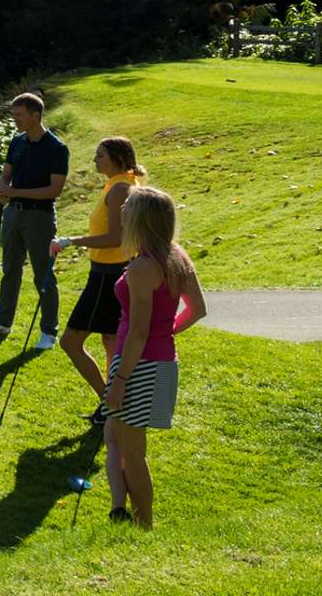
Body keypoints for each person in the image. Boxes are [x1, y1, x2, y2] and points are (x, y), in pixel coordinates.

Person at [102, 186, 208, 528]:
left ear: (140, 218)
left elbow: (139, 331)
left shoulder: (143, 267)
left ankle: (143, 524)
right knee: (115, 436)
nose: (121, 210)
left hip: (138, 365)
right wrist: (169, 332)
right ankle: (123, 512)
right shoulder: (176, 255)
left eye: (128, 206)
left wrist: (119, 381)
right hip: (161, 362)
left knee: (133, 454)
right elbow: (197, 310)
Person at [50, 137, 144, 423]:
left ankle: (109, 402)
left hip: (109, 275)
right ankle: (113, 407)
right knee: (110, 340)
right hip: (109, 272)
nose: (95, 160)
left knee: (70, 341)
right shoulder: (119, 183)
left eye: (100, 155)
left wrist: (69, 241)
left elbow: (116, 237)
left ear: (116, 158)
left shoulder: (120, 189)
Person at [0, 92, 70, 347]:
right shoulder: (16, 141)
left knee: (43, 274)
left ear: (35, 115)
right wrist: (1, 188)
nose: (14, 119)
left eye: (19, 115)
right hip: (13, 213)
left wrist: (14, 191)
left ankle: (49, 331)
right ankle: (2, 323)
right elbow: (6, 175)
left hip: (40, 217)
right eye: (13, 114)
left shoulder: (57, 148)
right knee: (10, 270)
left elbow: (54, 190)